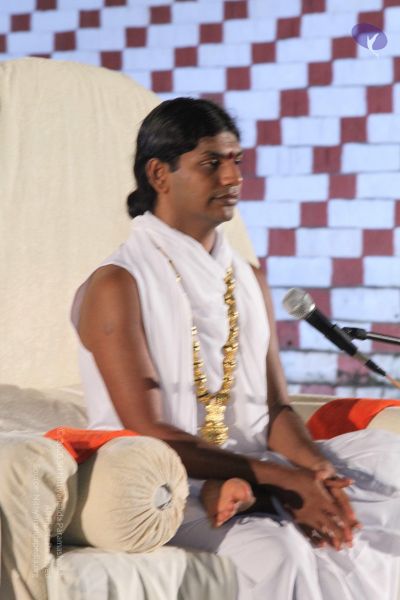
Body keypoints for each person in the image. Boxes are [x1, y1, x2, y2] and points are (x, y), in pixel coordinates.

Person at [71, 97, 400, 599]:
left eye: (236, 160)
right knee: (279, 553)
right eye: (211, 163)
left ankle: (256, 493)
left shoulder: (248, 278)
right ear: (159, 174)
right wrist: (282, 480)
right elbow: (147, 431)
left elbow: (277, 409)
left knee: (388, 469)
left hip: (255, 465)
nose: (232, 178)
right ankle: (249, 494)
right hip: (163, 484)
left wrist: (315, 470)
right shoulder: (117, 284)